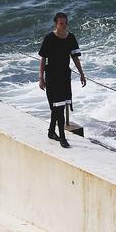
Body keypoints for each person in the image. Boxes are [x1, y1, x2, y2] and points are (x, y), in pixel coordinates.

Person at [38, 12, 86, 148]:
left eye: (65, 23)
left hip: (65, 76)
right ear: (56, 24)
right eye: (61, 23)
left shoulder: (71, 37)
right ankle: (62, 137)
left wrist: (82, 74)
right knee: (57, 108)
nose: (63, 26)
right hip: (52, 77)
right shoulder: (49, 38)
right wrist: (41, 78)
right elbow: (43, 59)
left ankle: (51, 132)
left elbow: (75, 57)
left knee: (59, 107)